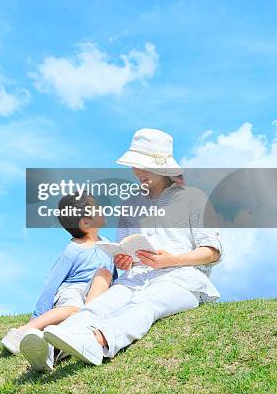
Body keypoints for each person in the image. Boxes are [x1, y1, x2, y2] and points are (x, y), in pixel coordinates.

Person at [43, 128, 223, 366]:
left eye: (144, 165)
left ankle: (98, 341)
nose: (138, 172)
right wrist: (124, 260)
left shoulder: (194, 198)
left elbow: (212, 252)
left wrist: (171, 260)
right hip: (136, 277)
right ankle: (51, 349)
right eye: (135, 165)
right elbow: (124, 250)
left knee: (145, 304)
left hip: (181, 278)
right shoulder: (130, 204)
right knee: (99, 306)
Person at [1, 192, 115, 371]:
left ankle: (57, 346)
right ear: (86, 222)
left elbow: (111, 277)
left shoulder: (108, 245)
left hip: (94, 296)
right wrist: (38, 316)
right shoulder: (73, 251)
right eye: (97, 208)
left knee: (101, 281)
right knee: (72, 309)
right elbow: (51, 284)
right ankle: (23, 331)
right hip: (73, 290)